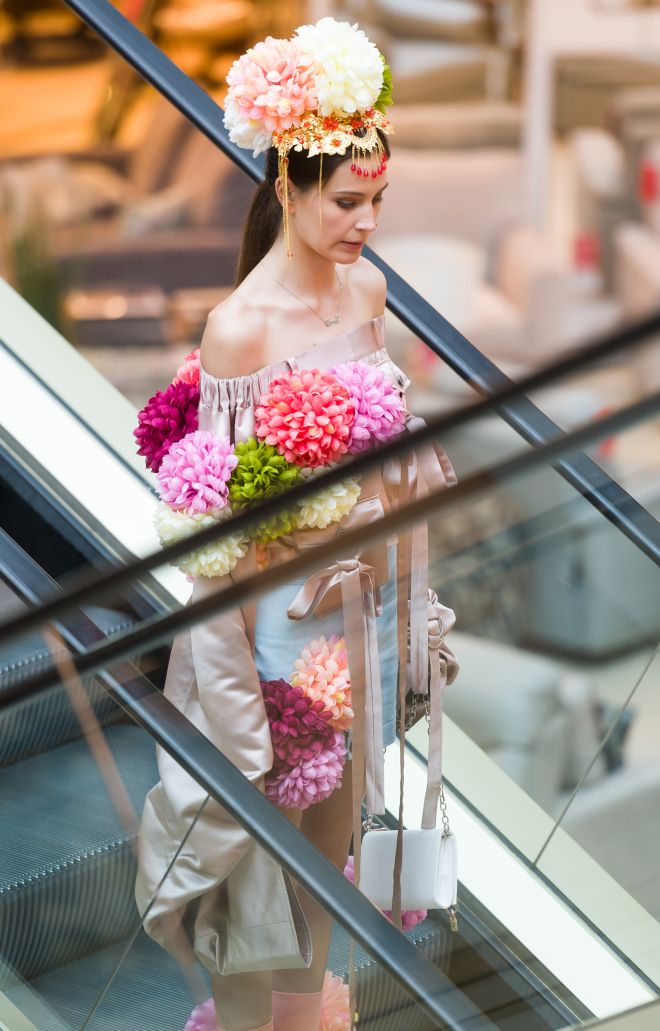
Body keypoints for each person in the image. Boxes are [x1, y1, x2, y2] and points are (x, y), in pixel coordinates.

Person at [134, 17, 456, 1031]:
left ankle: (303, 1007)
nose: (366, 221)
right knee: (263, 847)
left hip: (365, 605)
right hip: (282, 622)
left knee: (332, 835)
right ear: (288, 187)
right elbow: (228, 525)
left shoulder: (370, 286)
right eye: (346, 201)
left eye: (376, 200)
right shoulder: (239, 328)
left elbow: (391, 438)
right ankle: (252, 1017)